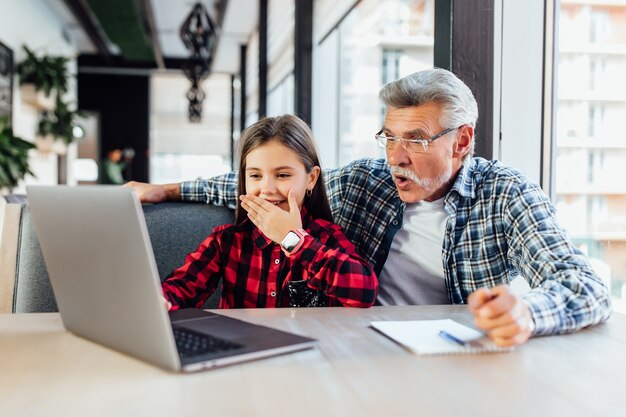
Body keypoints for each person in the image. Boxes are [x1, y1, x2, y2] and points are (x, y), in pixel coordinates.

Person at [128, 68, 611, 346]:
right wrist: (163, 190)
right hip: (356, 343)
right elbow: (267, 182)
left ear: (461, 141)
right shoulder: (368, 181)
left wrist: (527, 310)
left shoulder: (505, 194)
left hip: (454, 353)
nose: (396, 157)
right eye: (390, 137)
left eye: (416, 140)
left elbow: (584, 286)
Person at [160, 115, 378, 310]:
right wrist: (162, 300)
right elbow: (182, 288)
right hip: (243, 349)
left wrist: (293, 241)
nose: (267, 189)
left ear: (311, 178)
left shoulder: (326, 238)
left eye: (282, 175)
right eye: (255, 176)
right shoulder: (226, 241)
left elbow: (365, 292)